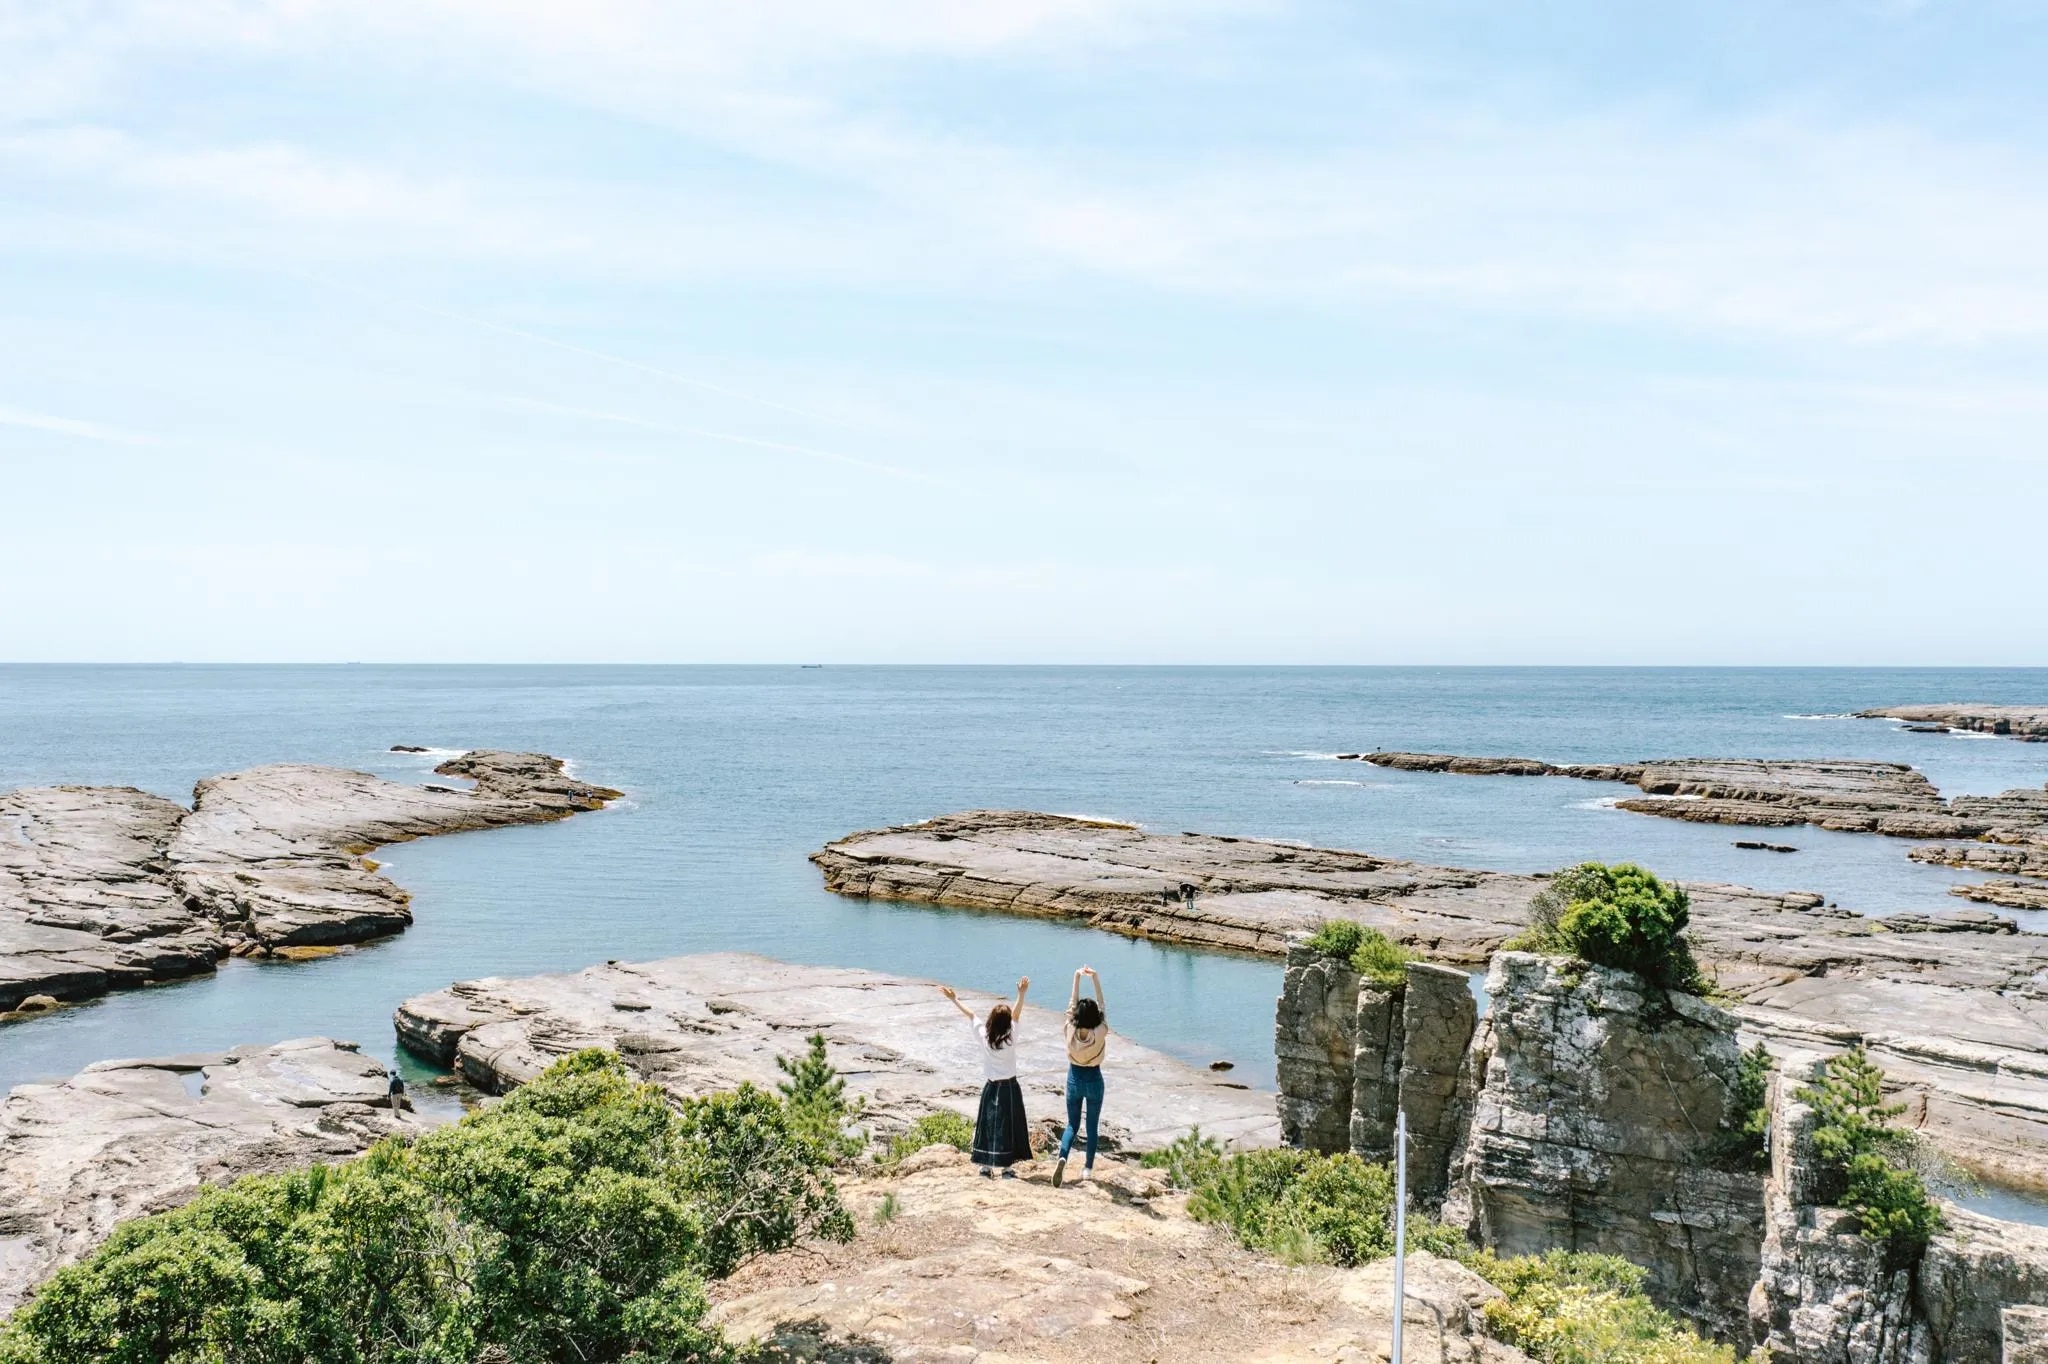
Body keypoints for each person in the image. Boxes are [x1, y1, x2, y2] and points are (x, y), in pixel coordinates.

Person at [940, 976, 1032, 1177]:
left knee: (988, 1124)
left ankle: (986, 1167)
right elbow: (1016, 1015)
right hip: (1010, 1087)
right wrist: (1021, 993)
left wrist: (953, 999)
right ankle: (1007, 1169)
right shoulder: (1011, 1037)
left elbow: (972, 1015)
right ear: (1007, 1023)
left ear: (991, 1020)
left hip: (991, 1087)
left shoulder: (985, 1038)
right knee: (1009, 1125)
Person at [1052, 965, 1107, 1187]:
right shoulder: (1100, 1031)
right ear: (1096, 1017)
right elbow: (1102, 1004)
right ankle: (1087, 1169)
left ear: (1076, 1015)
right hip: (1094, 1078)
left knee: (1072, 1125)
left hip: (1074, 1078)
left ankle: (1063, 1156)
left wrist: (1076, 977)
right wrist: (1095, 977)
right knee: (1092, 1126)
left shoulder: (1070, 1029)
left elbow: (1071, 1005)